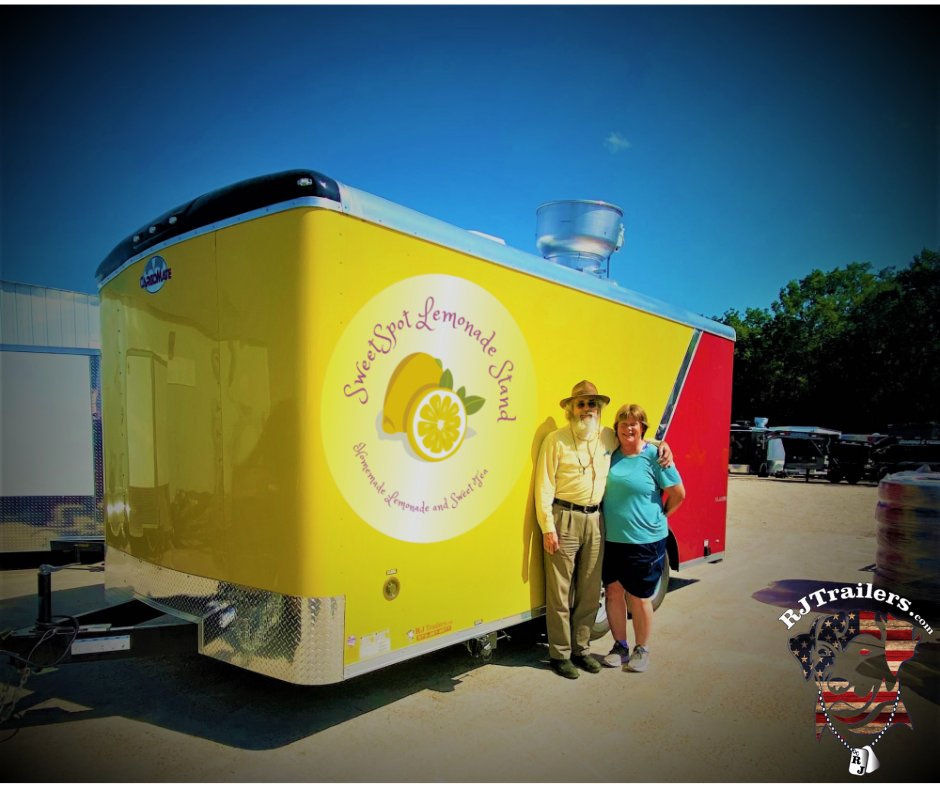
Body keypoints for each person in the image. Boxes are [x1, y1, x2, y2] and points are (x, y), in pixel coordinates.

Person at [535, 381, 672, 680]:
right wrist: (548, 527)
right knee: (559, 592)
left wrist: (664, 445)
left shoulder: (607, 436)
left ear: (599, 409)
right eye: (581, 404)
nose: (587, 409)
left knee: (588, 589)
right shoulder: (556, 440)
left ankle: (581, 650)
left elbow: (638, 437)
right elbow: (543, 486)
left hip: (597, 520)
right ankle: (560, 654)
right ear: (571, 408)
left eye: (592, 404)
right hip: (564, 518)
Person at [601, 403, 685, 673]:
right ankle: (620, 646)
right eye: (623, 423)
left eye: (634, 424)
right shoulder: (610, 455)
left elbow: (678, 494)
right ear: (616, 429)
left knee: (639, 597)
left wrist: (662, 515)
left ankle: (642, 649)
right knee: (613, 592)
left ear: (642, 428)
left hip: (645, 541)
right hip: (613, 539)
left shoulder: (655, 457)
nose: (628, 428)